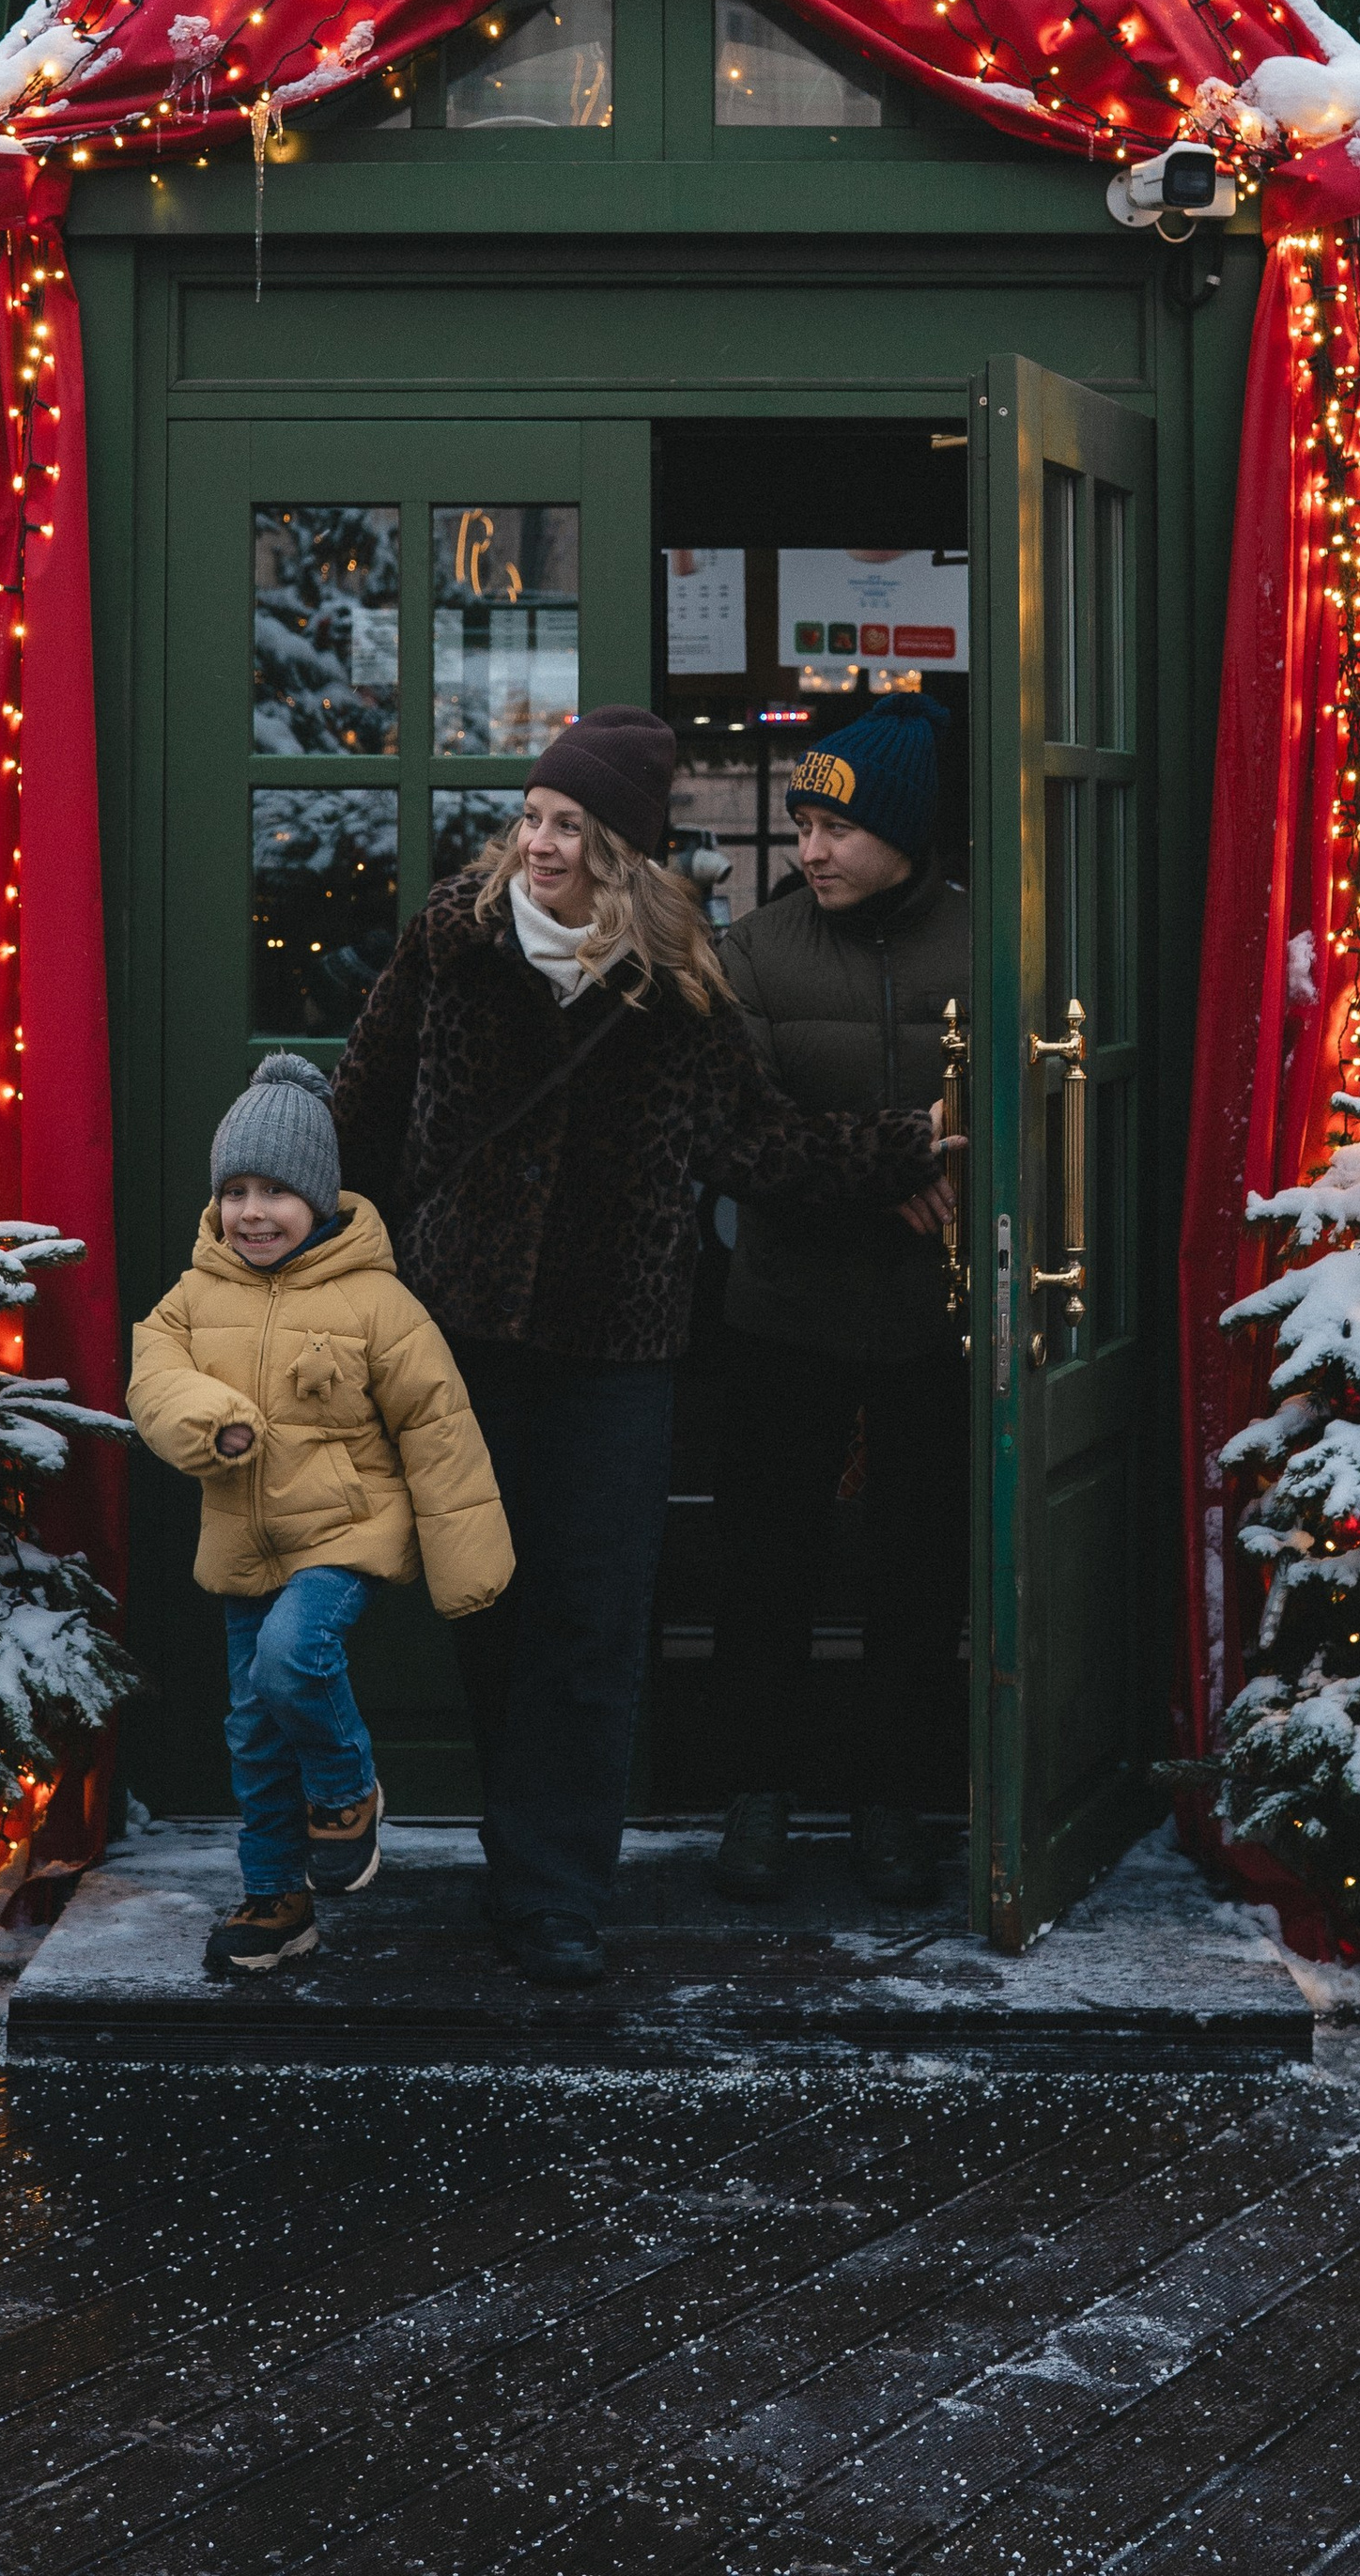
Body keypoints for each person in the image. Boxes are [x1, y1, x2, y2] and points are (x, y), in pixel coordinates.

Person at [330, 706, 944, 1988]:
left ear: (623, 849)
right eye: (535, 818)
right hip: (466, 1339)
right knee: (490, 1610)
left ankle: (557, 1894)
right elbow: (363, 1105)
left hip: (620, 1349)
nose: (541, 844)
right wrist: (320, 1261)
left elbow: (755, 1141)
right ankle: (515, 1852)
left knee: (594, 1622)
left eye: (571, 826)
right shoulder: (454, 940)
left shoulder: (677, 986)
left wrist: (906, 1145)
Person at [129, 1051, 512, 1978]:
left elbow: (437, 1426)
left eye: (276, 1192)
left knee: (293, 1657)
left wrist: (471, 1566)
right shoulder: (194, 1294)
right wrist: (212, 1419)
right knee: (252, 1732)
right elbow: (152, 1377)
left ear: (321, 1198)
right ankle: (276, 1897)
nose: (252, 1212)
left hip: (343, 1532)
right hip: (242, 1544)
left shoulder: (374, 1299)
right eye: (236, 1191)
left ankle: (347, 1791)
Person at [710, 698, 973, 1912]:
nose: (812, 847)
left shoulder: (987, 947)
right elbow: (740, 1135)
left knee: (917, 1577)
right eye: (803, 823)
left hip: (935, 1318)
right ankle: (753, 1795)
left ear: (905, 830)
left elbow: (1030, 1106)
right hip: (786, 1310)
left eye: (836, 825)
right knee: (768, 1563)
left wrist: (963, 1169)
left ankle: (892, 1804)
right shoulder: (753, 953)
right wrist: (890, 1170)